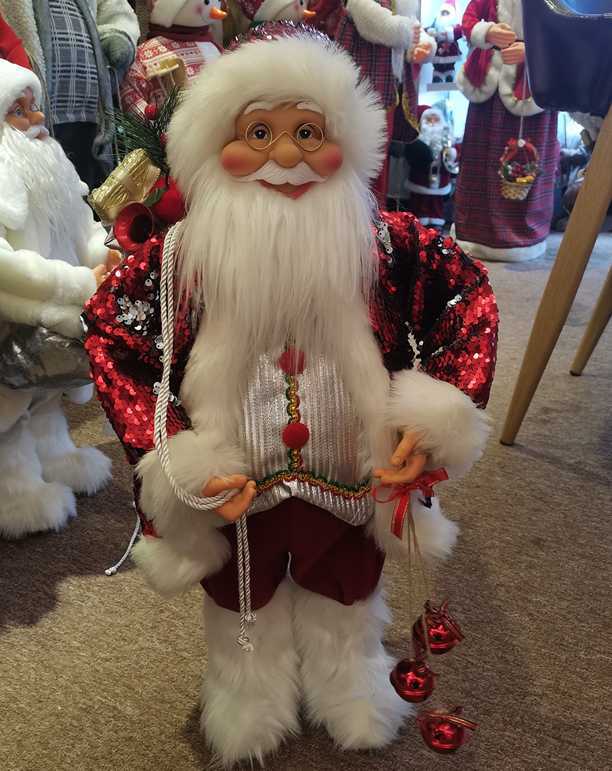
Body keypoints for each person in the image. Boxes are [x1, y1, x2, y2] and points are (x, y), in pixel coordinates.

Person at [84, 25, 498, 765]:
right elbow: (112, 335)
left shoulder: (387, 243)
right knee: (242, 597)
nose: (284, 155)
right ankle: (245, 697)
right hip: (237, 490)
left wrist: (433, 417)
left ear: (346, 140)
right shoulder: (177, 260)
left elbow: (466, 302)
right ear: (214, 146)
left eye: (307, 132)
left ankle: (351, 684)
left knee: (345, 586)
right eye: (259, 133)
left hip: (350, 475)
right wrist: (170, 447)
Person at [0, 61, 116, 538]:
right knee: (8, 405)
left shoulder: (52, 166)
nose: (37, 119)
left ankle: (55, 455)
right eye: (19, 111)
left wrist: (104, 256)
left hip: (58, 309)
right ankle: (15, 490)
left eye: (35, 106)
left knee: (46, 396)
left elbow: (83, 228)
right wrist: (73, 283)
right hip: (15, 315)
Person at [454, 0, 559, 262]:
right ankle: (475, 233)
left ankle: (522, 237)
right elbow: (469, 20)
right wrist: (487, 32)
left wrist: (533, 50)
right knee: (478, 161)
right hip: (487, 85)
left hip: (534, 84)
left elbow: (567, 34)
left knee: (530, 160)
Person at [0, 0, 139, 189]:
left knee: (91, 186)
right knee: (44, 185)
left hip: (91, 112)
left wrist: (119, 34)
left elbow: (115, 9)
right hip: (38, 114)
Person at [335, 0, 434, 207]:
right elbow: (374, 21)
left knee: (378, 157)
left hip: (387, 88)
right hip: (361, 87)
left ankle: (375, 214)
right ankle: (356, 212)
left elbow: (411, 25)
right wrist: (409, 32)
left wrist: (422, 44)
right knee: (357, 157)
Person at [121, 0, 227, 117]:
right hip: (169, 126)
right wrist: (152, 117)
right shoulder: (143, 56)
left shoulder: (214, 48)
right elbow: (131, 98)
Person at [405, 105, 458, 228]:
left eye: (436, 120)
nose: (433, 123)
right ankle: (418, 221)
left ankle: (436, 221)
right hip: (421, 179)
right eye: (429, 120)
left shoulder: (447, 139)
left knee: (437, 203)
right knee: (419, 201)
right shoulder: (417, 140)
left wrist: (452, 154)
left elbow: (453, 158)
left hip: (440, 179)